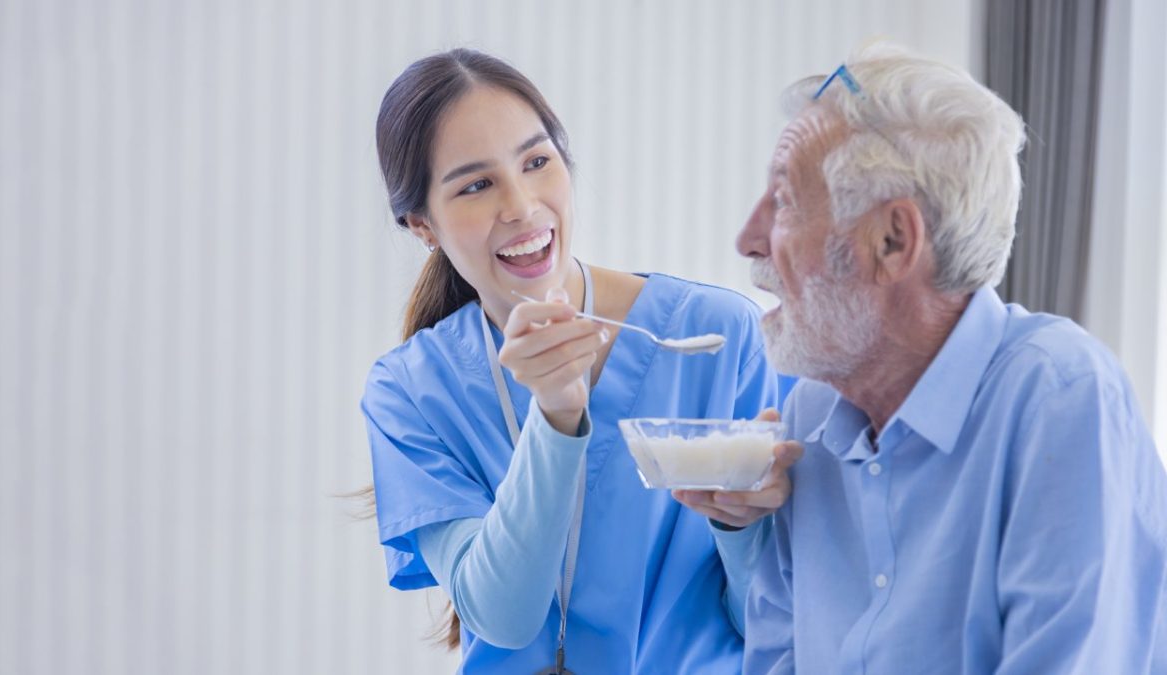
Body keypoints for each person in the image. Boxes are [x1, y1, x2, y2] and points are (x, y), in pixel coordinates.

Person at [723, 43, 1167, 673]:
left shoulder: (1058, 395)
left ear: (893, 240)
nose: (748, 240)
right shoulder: (811, 415)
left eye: (786, 201)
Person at [361, 48, 800, 673]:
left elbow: (773, 620)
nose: (521, 206)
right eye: (477, 185)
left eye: (537, 162)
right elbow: (503, 616)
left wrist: (739, 525)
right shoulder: (408, 390)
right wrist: (557, 415)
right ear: (421, 225)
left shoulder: (718, 335)